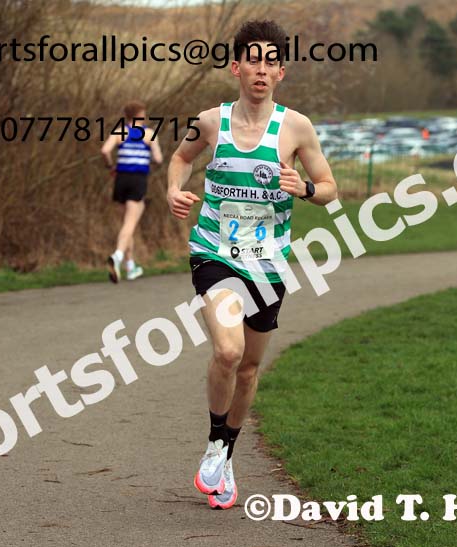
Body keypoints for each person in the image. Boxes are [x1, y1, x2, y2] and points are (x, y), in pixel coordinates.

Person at [166, 20, 337, 510]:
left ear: (281, 72)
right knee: (227, 352)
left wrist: (303, 188)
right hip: (215, 253)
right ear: (235, 67)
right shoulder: (211, 121)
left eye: (271, 62)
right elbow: (180, 159)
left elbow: (328, 187)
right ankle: (216, 445)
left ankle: (224, 452)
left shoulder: (296, 127)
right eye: (253, 60)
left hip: (268, 265)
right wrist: (174, 191)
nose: (261, 70)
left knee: (248, 369)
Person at [100, 101, 163, 282]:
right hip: (138, 180)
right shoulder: (149, 134)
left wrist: (111, 166)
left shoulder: (120, 131)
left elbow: (105, 150)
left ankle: (130, 267)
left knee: (128, 224)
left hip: (121, 180)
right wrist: (147, 159)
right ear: (141, 115)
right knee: (130, 224)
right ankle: (118, 256)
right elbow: (158, 159)